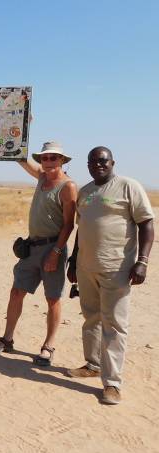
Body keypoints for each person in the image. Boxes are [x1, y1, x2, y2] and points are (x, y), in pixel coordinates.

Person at [66, 146, 154, 405]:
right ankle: (92, 365)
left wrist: (143, 262)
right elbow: (82, 230)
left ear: (112, 162)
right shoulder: (85, 192)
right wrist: (73, 260)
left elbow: (146, 224)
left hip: (117, 268)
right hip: (86, 267)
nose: (98, 165)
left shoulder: (129, 187)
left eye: (103, 161)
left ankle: (112, 383)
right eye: (93, 161)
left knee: (114, 324)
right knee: (90, 318)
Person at [0, 141, 77, 366]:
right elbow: (20, 157)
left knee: (52, 298)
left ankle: (48, 346)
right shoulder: (42, 177)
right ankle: (7, 339)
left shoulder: (67, 187)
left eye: (53, 158)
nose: (48, 162)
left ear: (62, 160)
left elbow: (68, 224)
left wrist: (56, 252)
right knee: (17, 292)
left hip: (53, 247)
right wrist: (20, 129)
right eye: (44, 158)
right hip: (32, 247)